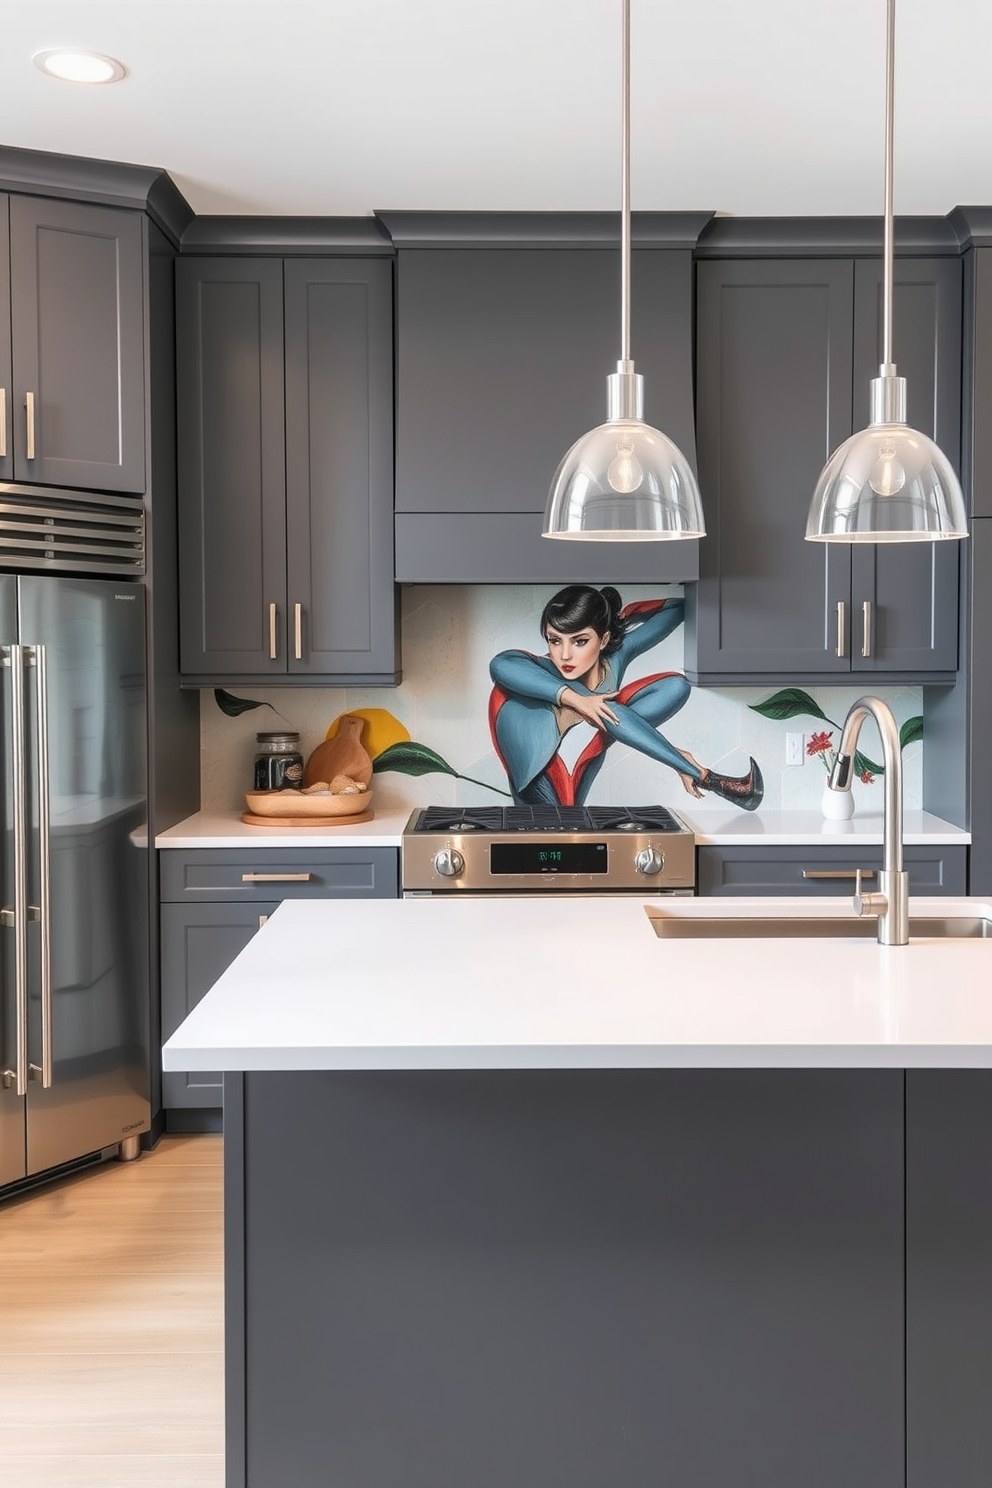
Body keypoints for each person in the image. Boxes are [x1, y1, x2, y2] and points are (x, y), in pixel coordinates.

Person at [488, 584, 763, 809]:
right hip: (537, 776)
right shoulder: (542, 670)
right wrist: (577, 699)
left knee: (676, 686)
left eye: (580, 641)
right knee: (607, 711)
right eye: (555, 640)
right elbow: (500, 664)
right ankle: (704, 776)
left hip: (584, 763)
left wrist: (625, 617)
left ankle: (692, 769)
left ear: (604, 640)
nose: (565, 655)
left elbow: (680, 608)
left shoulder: (614, 659)